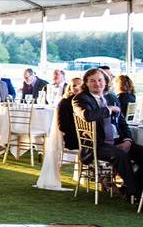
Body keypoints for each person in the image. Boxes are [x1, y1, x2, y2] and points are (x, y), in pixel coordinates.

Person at [72, 68, 143, 197]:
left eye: (100, 80)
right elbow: (87, 115)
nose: (97, 84)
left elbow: (122, 122)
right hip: (96, 145)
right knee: (121, 155)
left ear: (105, 82)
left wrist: (128, 139)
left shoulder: (111, 97)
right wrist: (109, 109)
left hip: (117, 141)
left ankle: (130, 188)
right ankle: (137, 194)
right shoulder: (80, 99)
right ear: (86, 83)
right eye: (92, 81)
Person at [58, 77, 82, 151]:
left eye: (80, 85)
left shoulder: (86, 100)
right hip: (73, 138)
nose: (77, 87)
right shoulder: (65, 102)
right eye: (74, 85)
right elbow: (63, 126)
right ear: (70, 88)